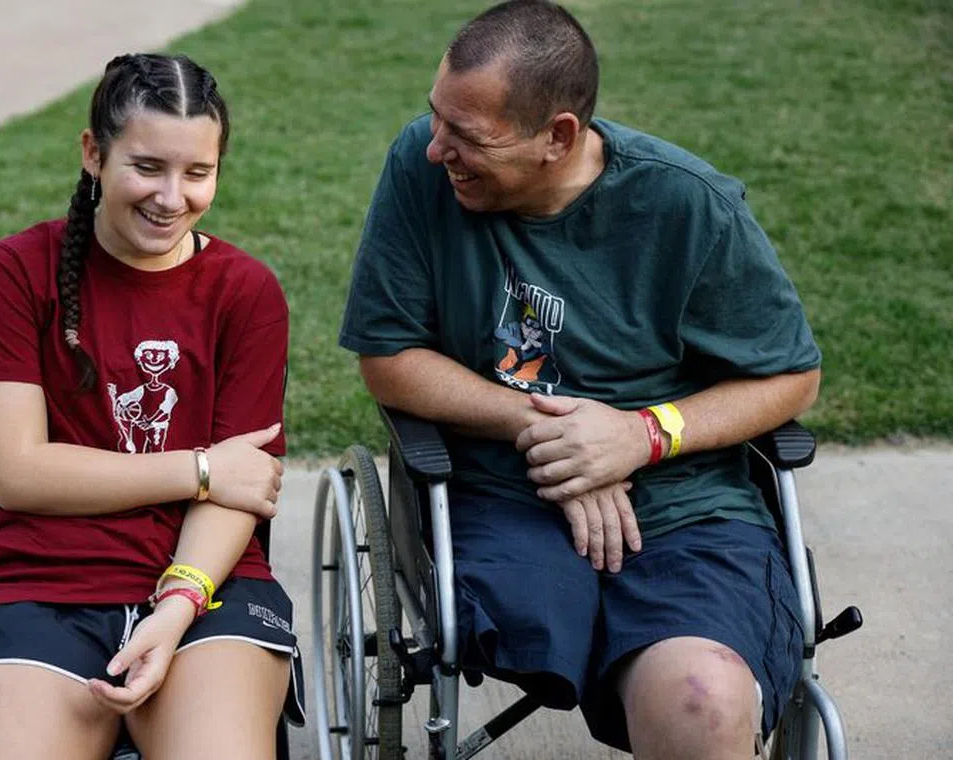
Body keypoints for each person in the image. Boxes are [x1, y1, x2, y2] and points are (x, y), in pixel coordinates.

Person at [339, 2, 821, 757]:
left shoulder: (689, 206)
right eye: (437, 119)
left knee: (704, 697)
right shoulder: (420, 168)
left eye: (468, 137)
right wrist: (550, 432)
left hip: (684, 507)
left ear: (557, 137)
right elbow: (388, 355)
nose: (437, 150)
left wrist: (639, 436)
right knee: (537, 615)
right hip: (500, 494)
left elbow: (792, 378)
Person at [0, 53, 303, 760]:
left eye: (198, 173)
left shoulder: (246, 291)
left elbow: (241, 488)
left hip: (206, 591)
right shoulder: (12, 272)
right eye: (147, 167)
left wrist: (174, 608)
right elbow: (19, 473)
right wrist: (199, 468)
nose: (172, 197)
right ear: (93, 154)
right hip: (36, 585)